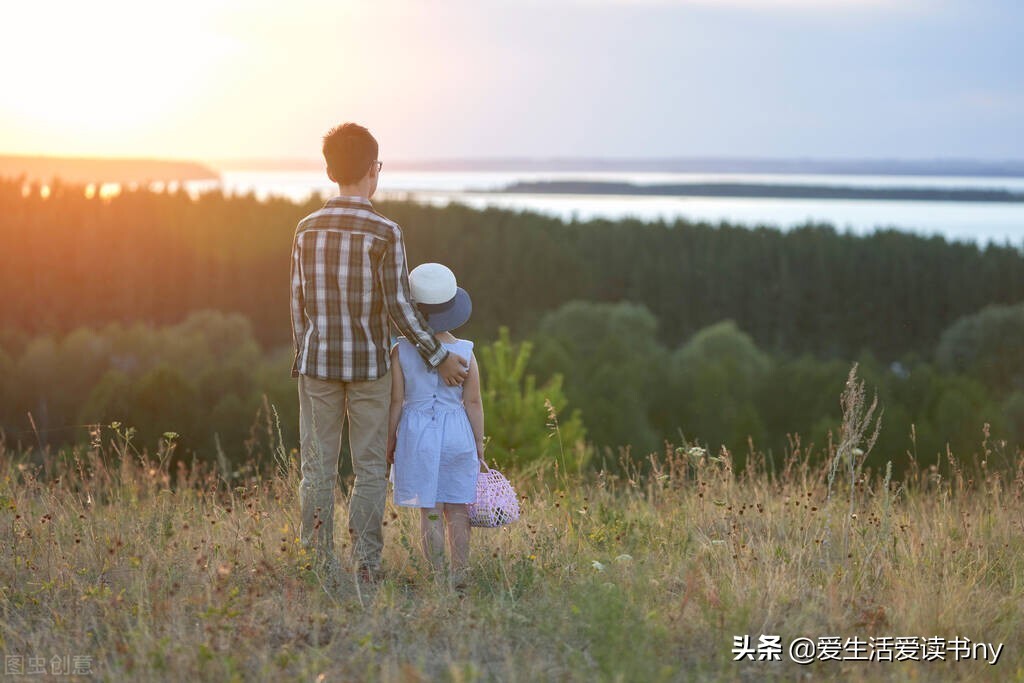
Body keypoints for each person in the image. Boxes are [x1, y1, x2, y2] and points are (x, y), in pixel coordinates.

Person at [290, 123, 469, 585]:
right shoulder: (385, 231)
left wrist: (303, 357)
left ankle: (316, 564)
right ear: (375, 170)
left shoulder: (305, 229)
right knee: (369, 469)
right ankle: (366, 567)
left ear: (329, 170)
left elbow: (298, 305)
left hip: (317, 366)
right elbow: (400, 308)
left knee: (317, 469)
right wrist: (438, 357)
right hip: (369, 368)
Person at [387, 263, 484, 586]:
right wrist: (479, 445)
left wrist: (390, 442)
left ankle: (437, 577)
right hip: (457, 433)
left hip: (417, 436)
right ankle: (461, 575)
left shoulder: (400, 351)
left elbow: (397, 401)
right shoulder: (466, 352)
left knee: (429, 511)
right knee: (458, 510)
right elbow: (472, 402)